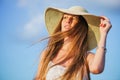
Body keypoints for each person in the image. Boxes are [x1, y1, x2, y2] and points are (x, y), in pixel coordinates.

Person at [34, 6, 112, 80]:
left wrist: (103, 34)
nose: (68, 20)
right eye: (65, 17)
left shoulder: (86, 57)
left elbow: (97, 68)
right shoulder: (48, 54)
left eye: (74, 18)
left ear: (81, 26)